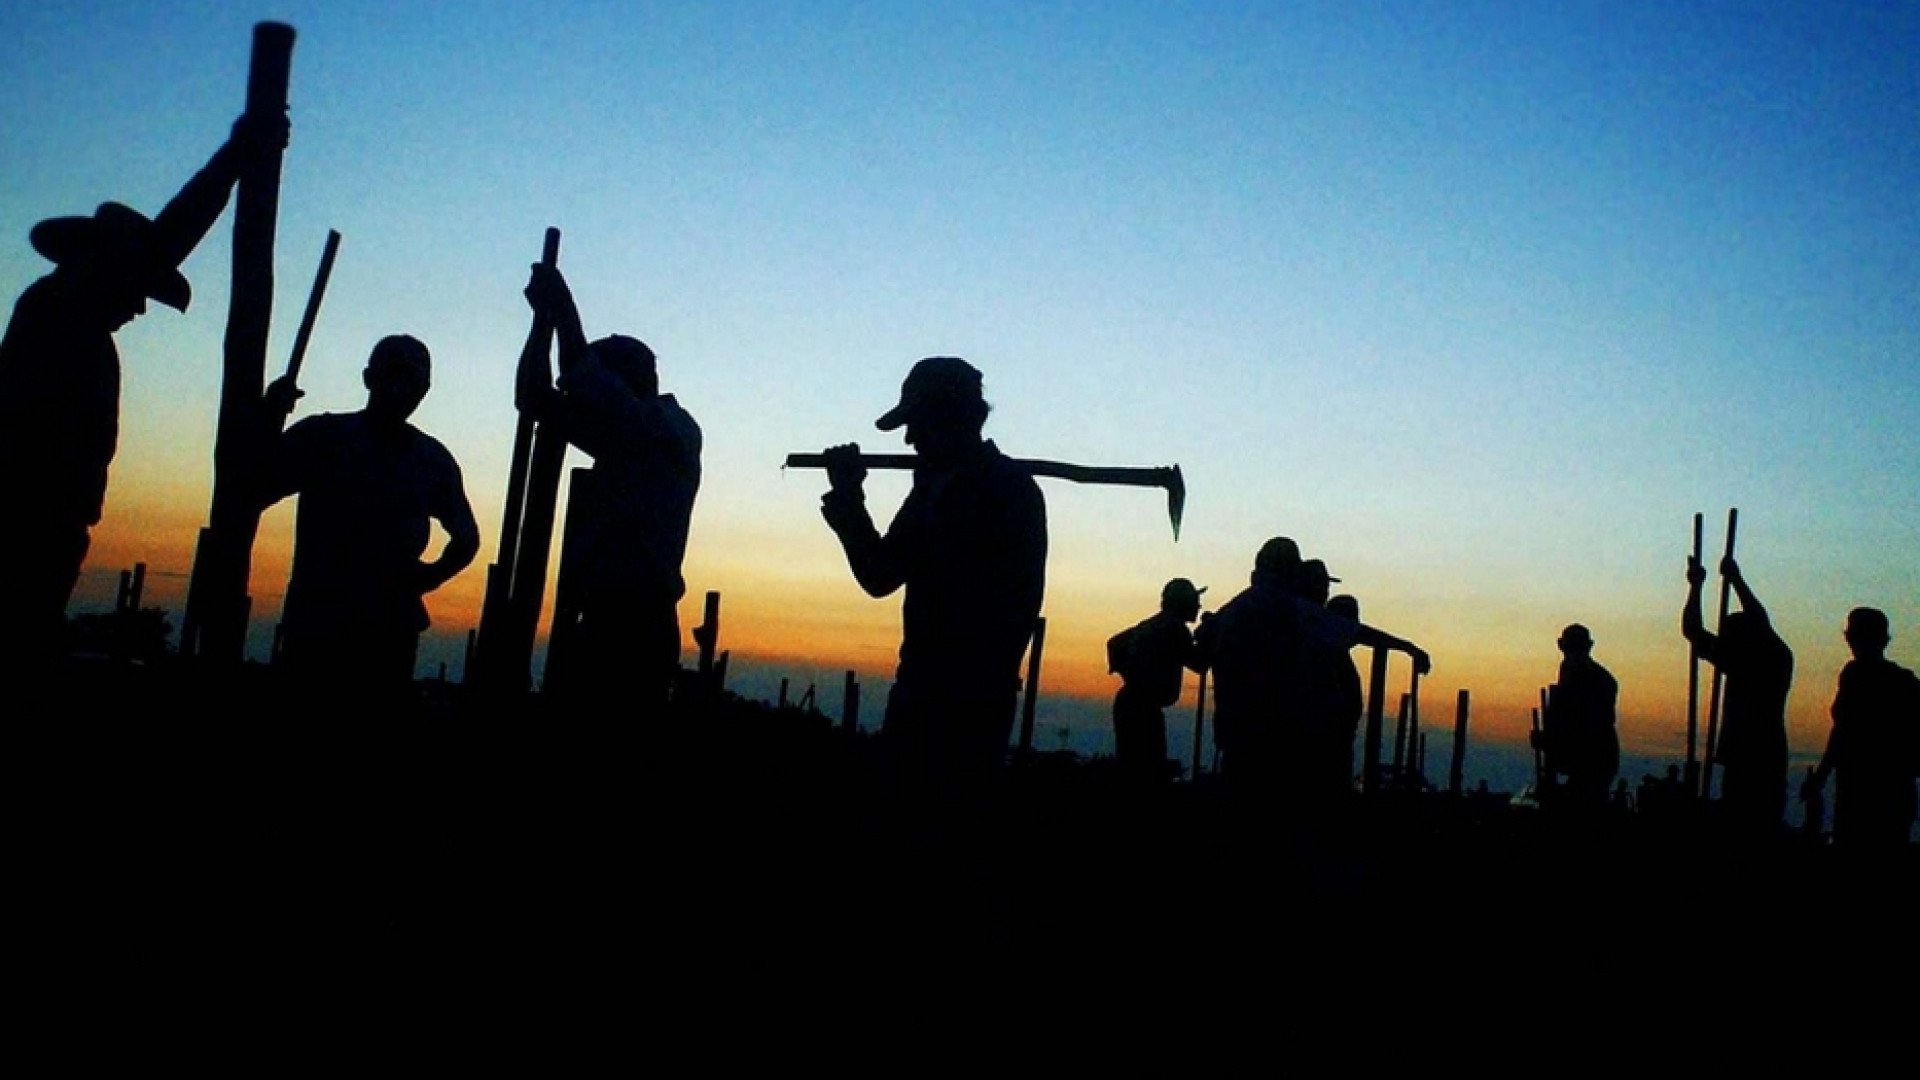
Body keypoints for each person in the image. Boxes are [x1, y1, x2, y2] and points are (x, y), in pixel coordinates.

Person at [0, 111, 287, 666]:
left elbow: (155, 253)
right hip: (24, 532)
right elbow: (167, 241)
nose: (137, 307)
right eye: (134, 288)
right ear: (96, 265)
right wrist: (233, 160)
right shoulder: (54, 313)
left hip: (48, 533)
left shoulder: (67, 324)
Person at [818, 357, 1047, 803]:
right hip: (949, 694)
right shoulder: (962, 486)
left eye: (918, 423)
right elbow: (882, 573)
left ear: (957, 418)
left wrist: (850, 499)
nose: (910, 438)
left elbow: (880, 574)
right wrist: (852, 499)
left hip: (954, 703)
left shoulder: (976, 492)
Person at [519, 264, 702, 713]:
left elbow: (584, 379)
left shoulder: (669, 432)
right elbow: (534, 398)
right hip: (596, 616)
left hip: (639, 624)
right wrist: (541, 327)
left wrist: (563, 311)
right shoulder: (621, 441)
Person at [259, 335, 479, 698]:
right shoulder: (324, 438)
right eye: (394, 374)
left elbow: (467, 539)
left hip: (387, 632)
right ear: (369, 378)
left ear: (424, 389)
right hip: (319, 626)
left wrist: (426, 578)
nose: (402, 388)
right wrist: (268, 417)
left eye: (413, 380)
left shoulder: (432, 460)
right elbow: (255, 485)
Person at [1195, 537, 1429, 803]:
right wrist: (1408, 647)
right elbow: (1356, 632)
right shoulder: (1289, 608)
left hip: (1236, 738)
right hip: (1278, 742)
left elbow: (1200, 656)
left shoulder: (1232, 611)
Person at [1683, 555, 1793, 836]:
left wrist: (1729, 581)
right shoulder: (1751, 656)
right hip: (1749, 752)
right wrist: (1701, 584)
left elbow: (1757, 619)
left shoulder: (1765, 659)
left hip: (1757, 753)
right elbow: (1693, 632)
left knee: (1753, 823)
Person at [1804, 608, 1919, 848]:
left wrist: (1821, 777)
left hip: (1879, 796)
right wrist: (1821, 777)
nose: (1849, 639)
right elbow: (1840, 731)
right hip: (1860, 793)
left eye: (1854, 634)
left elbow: (1842, 732)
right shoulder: (1854, 674)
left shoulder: (1898, 683)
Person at [1107, 578, 1205, 787]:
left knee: (1132, 769)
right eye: (1194, 600)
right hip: (1141, 709)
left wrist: (1130, 673)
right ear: (1181, 602)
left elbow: (1114, 643)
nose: (1198, 606)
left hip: (1132, 704)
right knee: (1145, 774)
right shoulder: (1174, 628)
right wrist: (1210, 638)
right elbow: (1199, 663)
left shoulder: (1157, 624)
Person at [1538, 624, 1619, 804]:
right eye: (1570, 647)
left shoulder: (1598, 680)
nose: (1573, 653)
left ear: (1589, 647)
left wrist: (1553, 740)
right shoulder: (1568, 670)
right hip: (1583, 762)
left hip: (1594, 761)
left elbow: (1588, 728)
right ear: (1561, 646)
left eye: (1577, 647)